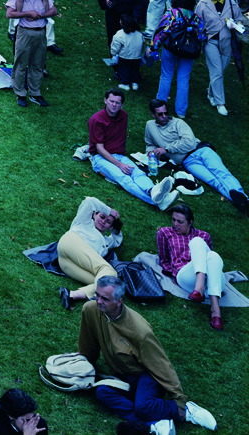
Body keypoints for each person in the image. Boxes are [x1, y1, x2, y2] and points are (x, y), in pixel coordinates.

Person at [77, 273, 215, 432]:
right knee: (102, 393)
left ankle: (187, 411)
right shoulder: (90, 309)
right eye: (97, 295)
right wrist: (84, 364)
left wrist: (180, 402)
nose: (99, 302)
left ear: (119, 301)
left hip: (146, 375)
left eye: (105, 299)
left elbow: (161, 365)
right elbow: (88, 343)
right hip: (123, 377)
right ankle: (153, 424)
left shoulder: (140, 332)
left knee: (143, 406)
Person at [143, 97, 247, 212]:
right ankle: (241, 202)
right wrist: (151, 152)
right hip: (188, 161)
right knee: (213, 181)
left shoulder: (178, 123)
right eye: (160, 114)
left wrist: (166, 149)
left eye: (166, 112)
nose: (164, 116)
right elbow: (150, 143)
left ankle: (245, 200)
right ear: (153, 114)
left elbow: (190, 143)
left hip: (201, 151)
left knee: (222, 173)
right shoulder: (150, 126)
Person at [89, 88, 176, 209]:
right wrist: (119, 165)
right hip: (100, 158)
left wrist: (120, 161)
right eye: (111, 101)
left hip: (119, 155)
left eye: (117, 102)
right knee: (124, 179)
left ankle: (152, 191)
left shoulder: (123, 115)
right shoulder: (96, 119)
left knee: (138, 173)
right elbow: (99, 149)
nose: (114, 105)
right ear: (105, 100)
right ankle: (159, 202)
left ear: (122, 105)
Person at [157, 203, 228, 332]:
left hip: (211, 285)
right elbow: (164, 260)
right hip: (186, 277)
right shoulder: (165, 233)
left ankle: (205, 295)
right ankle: (215, 311)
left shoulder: (204, 236)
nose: (175, 224)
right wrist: (172, 273)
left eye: (180, 221)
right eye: (173, 219)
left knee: (212, 254)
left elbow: (211, 262)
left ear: (190, 222)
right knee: (197, 242)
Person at [54, 197, 123, 309]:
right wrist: (109, 211)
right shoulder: (84, 222)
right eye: (102, 216)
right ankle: (85, 295)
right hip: (71, 242)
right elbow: (89, 201)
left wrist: (114, 224)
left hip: (67, 263)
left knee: (107, 282)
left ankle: (70, 294)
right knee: (110, 271)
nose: (103, 221)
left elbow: (117, 240)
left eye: (108, 222)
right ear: (94, 214)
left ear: (110, 227)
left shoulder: (106, 241)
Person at [6, 0, 56, 108]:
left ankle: (35, 93)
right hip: (25, 33)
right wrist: (28, 13)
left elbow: (54, 11)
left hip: (40, 33)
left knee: (38, 64)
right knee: (21, 64)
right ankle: (20, 93)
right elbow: (9, 13)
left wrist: (41, 15)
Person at [194, 0, 240, 118]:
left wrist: (235, 25)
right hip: (210, 42)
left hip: (227, 43)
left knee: (220, 71)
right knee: (217, 71)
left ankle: (211, 94)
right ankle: (221, 103)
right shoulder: (202, 4)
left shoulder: (232, 5)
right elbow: (197, 24)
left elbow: (239, 23)